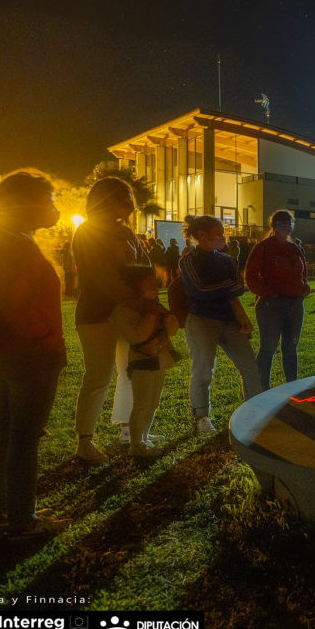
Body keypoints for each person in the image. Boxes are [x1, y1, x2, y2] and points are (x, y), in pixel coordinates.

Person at [0, 170, 71, 538]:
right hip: (31, 358)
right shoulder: (13, 248)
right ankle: (22, 520)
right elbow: (16, 306)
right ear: (27, 204)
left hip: (4, 355)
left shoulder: (0, 241)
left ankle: (1, 512)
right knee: (23, 438)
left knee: (2, 432)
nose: (53, 209)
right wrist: (44, 339)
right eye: (49, 201)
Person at [71, 177, 149, 464]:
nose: (131, 203)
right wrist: (136, 297)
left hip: (129, 311)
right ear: (108, 199)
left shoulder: (125, 231)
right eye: (125, 197)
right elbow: (103, 276)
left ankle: (132, 431)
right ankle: (85, 441)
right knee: (98, 377)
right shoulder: (87, 230)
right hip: (98, 314)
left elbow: (144, 265)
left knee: (133, 372)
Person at [180, 214, 262, 434]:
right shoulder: (188, 260)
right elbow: (201, 290)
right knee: (203, 371)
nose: (222, 238)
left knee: (250, 367)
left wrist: (223, 286)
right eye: (218, 234)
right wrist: (227, 285)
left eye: (222, 233)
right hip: (202, 320)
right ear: (202, 235)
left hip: (229, 320)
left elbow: (239, 287)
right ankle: (201, 416)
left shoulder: (224, 259)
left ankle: (254, 410)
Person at [112, 265, 181, 457]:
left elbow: (173, 330)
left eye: (154, 281)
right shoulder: (125, 310)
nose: (154, 286)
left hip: (160, 358)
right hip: (142, 361)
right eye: (148, 283)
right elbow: (137, 336)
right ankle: (136, 445)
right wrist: (151, 314)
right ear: (135, 286)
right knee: (141, 404)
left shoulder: (155, 306)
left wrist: (165, 316)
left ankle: (144, 435)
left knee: (153, 402)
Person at [244, 210, 311, 390]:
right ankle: (262, 389)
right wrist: (267, 292)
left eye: (289, 223)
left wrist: (304, 288)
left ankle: (291, 387)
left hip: (295, 304)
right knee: (268, 349)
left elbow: (303, 272)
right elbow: (250, 275)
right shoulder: (263, 247)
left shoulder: (294, 248)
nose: (286, 226)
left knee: (291, 347)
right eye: (281, 223)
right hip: (271, 305)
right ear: (273, 225)